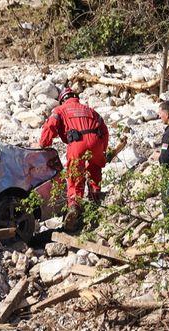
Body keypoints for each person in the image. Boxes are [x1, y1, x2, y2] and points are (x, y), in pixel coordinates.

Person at [38, 88, 109, 232]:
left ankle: (74, 206)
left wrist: (44, 144)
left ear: (62, 99)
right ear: (76, 97)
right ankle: (95, 198)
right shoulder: (90, 110)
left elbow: (50, 125)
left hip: (77, 143)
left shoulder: (60, 110)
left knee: (74, 175)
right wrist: (103, 150)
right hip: (96, 142)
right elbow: (104, 129)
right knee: (95, 169)